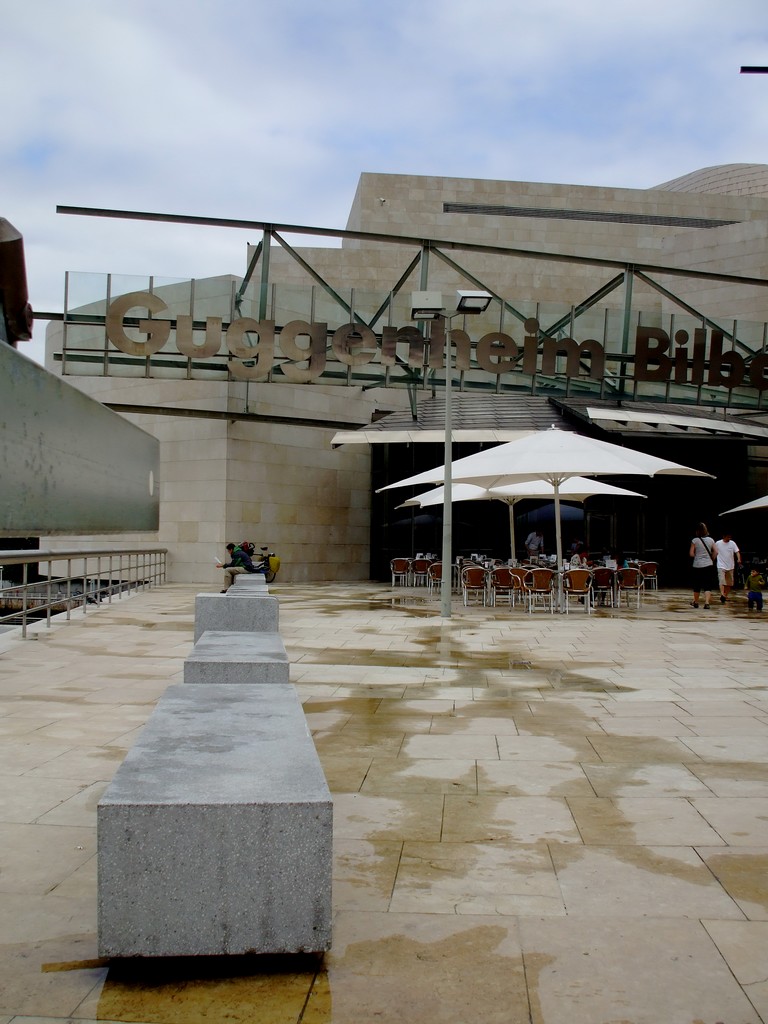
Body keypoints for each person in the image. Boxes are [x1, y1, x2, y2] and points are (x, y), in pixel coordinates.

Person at [689, 522, 717, 609]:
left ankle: (696, 602)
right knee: (707, 584)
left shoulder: (695, 540)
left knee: (697, 585)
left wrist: (697, 556)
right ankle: (707, 603)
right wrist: (711, 559)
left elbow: (691, 554)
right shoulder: (711, 540)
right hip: (708, 565)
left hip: (697, 565)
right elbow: (716, 551)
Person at [715, 531, 741, 604]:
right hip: (721, 565)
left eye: (730, 537)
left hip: (730, 566)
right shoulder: (718, 543)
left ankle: (725, 595)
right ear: (724, 536)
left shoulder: (732, 543)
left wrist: (739, 559)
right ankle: (722, 594)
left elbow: (737, 552)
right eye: (727, 537)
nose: (729, 538)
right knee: (721, 580)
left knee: (729, 583)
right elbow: (714, 551)